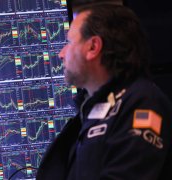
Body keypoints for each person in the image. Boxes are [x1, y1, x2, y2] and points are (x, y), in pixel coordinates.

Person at [36, 4, 172, 180]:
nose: (62, 54)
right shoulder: (93, 110)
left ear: (93, 47)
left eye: (69, 42)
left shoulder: (144, 102)